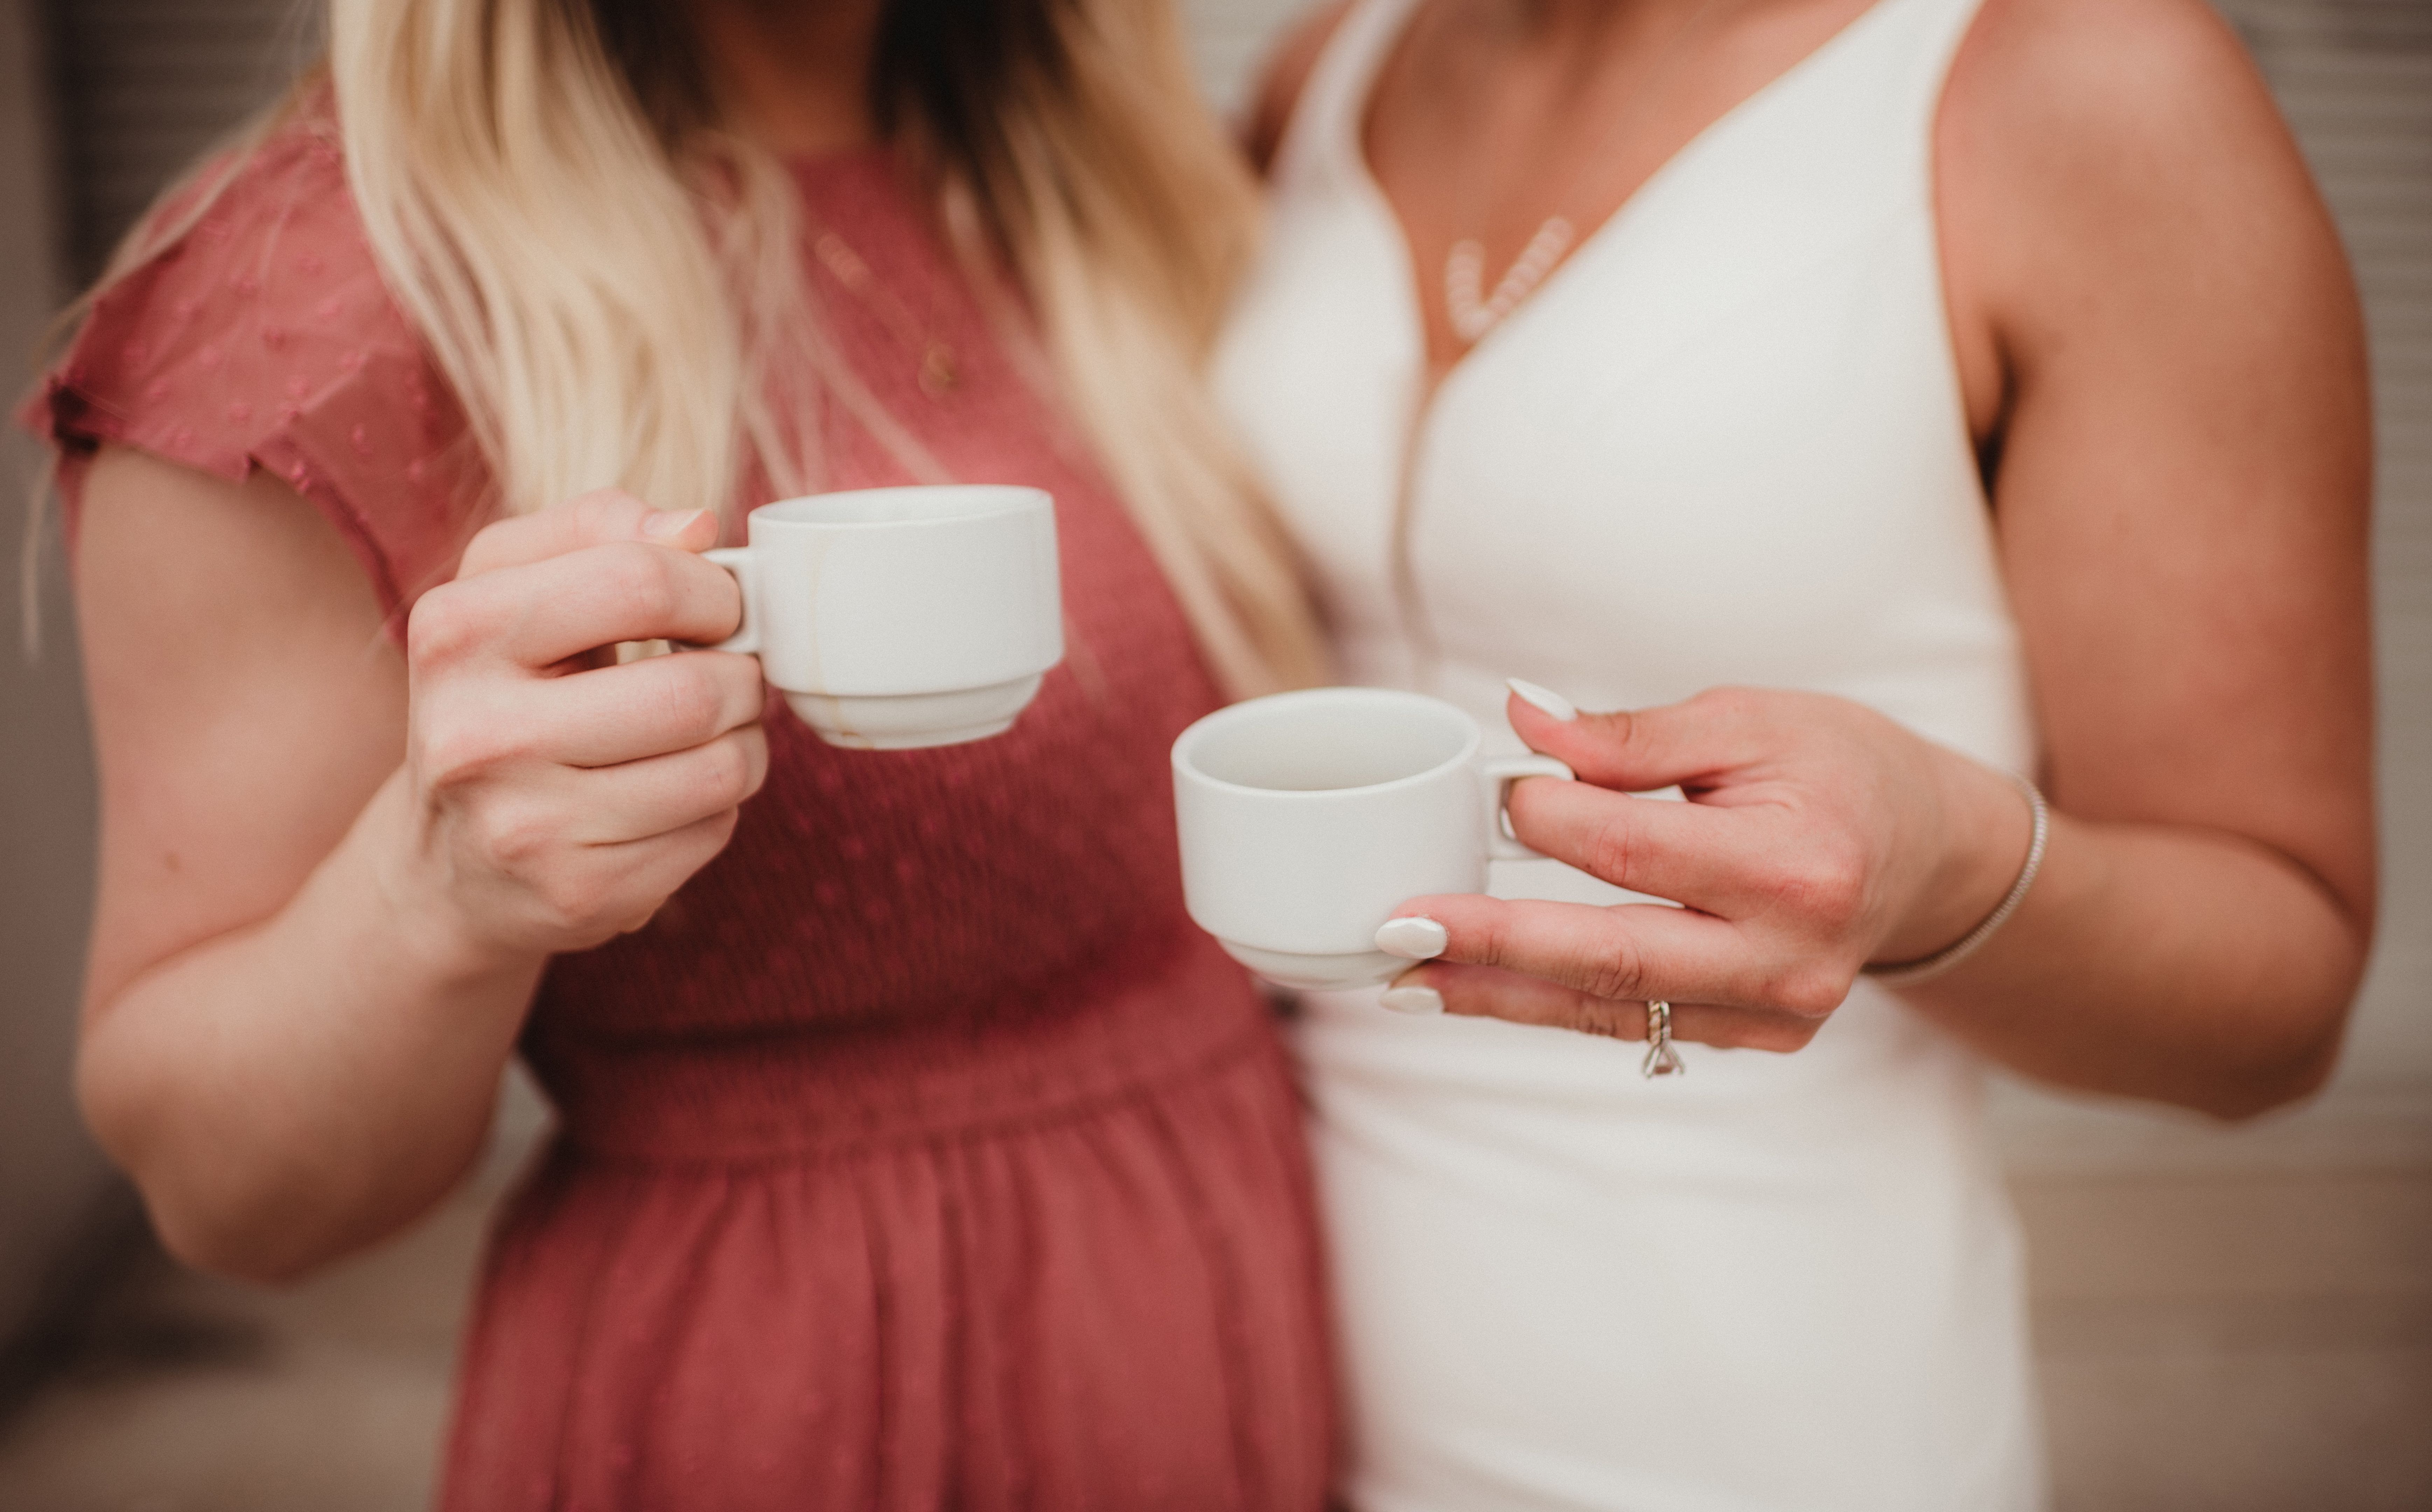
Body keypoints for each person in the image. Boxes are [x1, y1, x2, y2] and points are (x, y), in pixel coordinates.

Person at [25, 0, 1338, 1504]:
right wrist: (431, 895)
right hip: (806, 1407)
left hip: (1216, 1333)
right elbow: (222, 1193)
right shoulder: (314, 299)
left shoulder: (1101, 169)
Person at [1215, 0, 2374, 1504]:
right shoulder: (1339, 60)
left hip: (1748, 1414)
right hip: (1237, 1376)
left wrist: (1943, 864)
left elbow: (2281, 1003)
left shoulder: (2086, 83)